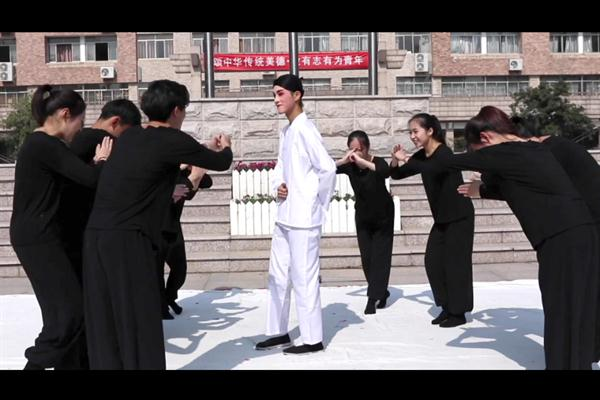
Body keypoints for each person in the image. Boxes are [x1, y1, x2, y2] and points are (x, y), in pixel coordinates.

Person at [394, 105, 599, 369]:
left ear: (486, 138)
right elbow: (520, 188)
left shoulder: (503, 151)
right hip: (581, 234)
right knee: (577, 308)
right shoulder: (531, 149)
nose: (482, 159)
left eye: (477, 150)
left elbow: (445, 162)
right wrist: (482, 190)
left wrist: (407, 159)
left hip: (561, 240)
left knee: (561, 310)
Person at [82, 79, 233, 369]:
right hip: (129, 239)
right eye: (184, 109)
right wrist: (225, 147)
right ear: (177, 110)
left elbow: (162, 158)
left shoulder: (131, 136)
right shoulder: (172, 139)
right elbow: (221, 162)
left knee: (105, 317)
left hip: (96, 235)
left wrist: (201, 149)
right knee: (141, 315)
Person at [10, 85, 112, 370]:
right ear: (66, 114)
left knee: (68, 313)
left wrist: (93, 164)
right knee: (67, 315)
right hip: (38, 238)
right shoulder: (45, 145)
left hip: (43, 235)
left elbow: (74, 179)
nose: (80, 129)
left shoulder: (44, 146)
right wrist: (102, 161)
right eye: (81, 121)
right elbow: (91, 180)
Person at [255, 74, 336, 355]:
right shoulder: (287, 131)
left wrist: (317, 204)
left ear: (297, 95)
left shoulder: (305, 129)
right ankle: (278, 332)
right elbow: (280, 166)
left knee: (304, 277)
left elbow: (328, 168)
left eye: (280, 94)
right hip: (285, 215)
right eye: (274, 95)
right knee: (277, 275)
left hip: (304, 219)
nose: (276, 100)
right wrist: (278, 185)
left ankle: (313, 339)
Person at [511, 116, 600, 363]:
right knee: (588, 295)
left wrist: (486, 186)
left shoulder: (549, 152)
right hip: (589, 223)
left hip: (590, 226)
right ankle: (587, 351)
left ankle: (580, 353)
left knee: (579, 295)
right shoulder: (556, 146)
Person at [390, 114, 474, 327]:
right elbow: (396, 175)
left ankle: (458, 313)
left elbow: (433, 169)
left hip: (459, 217)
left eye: (415, 131)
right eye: (410, 132)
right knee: (433, 262)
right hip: (442, 218)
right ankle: (446, 306)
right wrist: (396, 159)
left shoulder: (444, 153)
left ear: (430, 131)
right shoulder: (421, 156)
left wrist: (407, 159)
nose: (412, 136)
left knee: (456, 265)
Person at [58, 99, 141, 283]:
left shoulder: (78, 139)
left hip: (68, 222)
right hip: (86, 224)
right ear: (115, 122)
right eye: (125, 133)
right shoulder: (103, 140)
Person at [335, 130, 393, 315]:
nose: (355, 154)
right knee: (367, 258)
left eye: (358, 149)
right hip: (363, 217)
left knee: (380, 257)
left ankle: (372, 298)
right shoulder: (350, 166)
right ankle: (382, 292)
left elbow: (385, 172)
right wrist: (343, 160)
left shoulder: (377, 162)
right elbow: (326, 169)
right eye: (351, 149)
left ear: (367, 148)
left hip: (383, 216)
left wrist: (364, 162)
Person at [158, 163, 212, 319]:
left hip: (173, 227)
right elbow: (174, 192)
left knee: (180, 269)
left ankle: (169, 297)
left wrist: (196, 171)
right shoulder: (165, 172)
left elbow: (207, 182)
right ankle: (161, 307)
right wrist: (181, 167)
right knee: (157, 271)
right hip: (157, 228)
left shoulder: (185, 176)